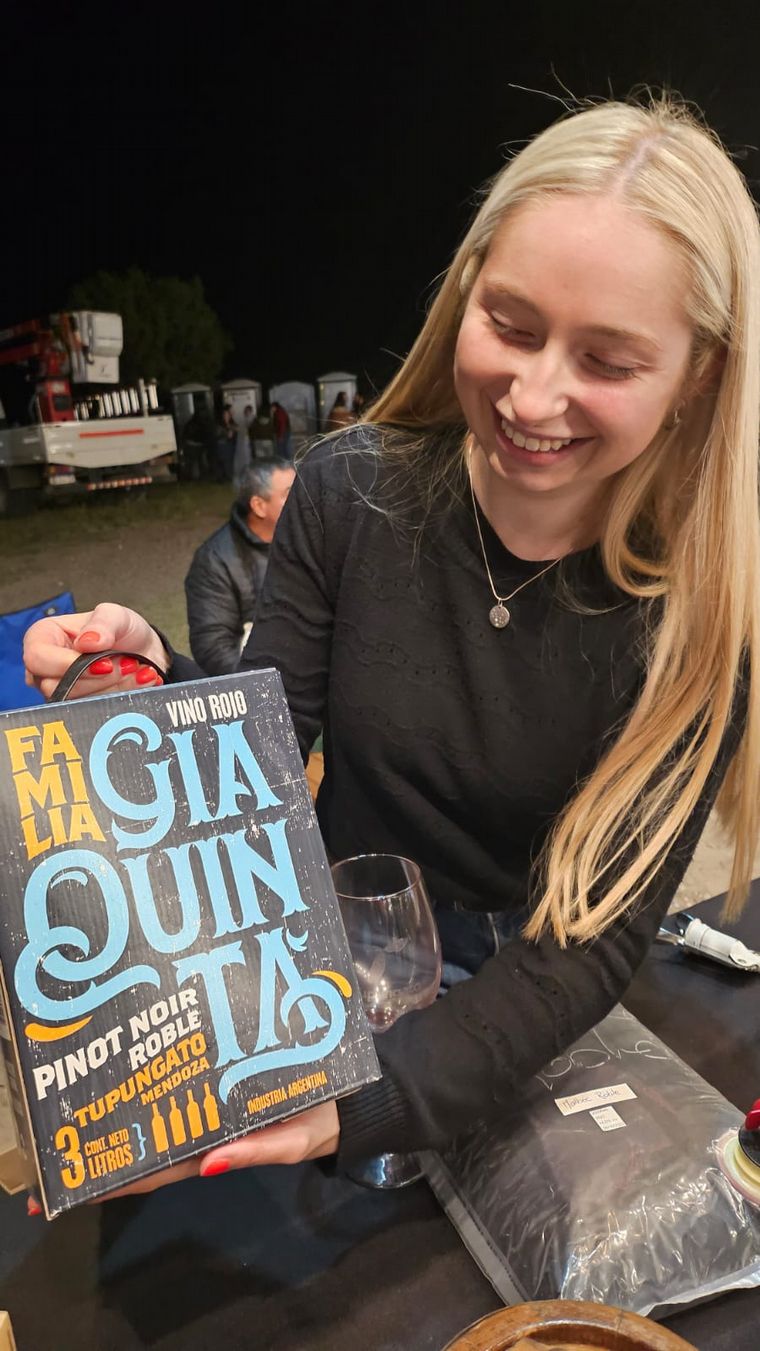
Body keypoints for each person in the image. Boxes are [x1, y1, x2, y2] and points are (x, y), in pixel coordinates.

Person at [24, 97, 760, 1185]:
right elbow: (260, 755)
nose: (533, 393)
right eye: (510, 325)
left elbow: (585, 947)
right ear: (465, 290)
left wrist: (369, 1103)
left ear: (698, 373)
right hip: (308, 963)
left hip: (515, 1009)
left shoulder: (702, 616)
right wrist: (157, 681)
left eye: (606, 359)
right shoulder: (345, 490)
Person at [184, 458, 295, 674]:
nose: (303, 500)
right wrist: (267, 685)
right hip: (262, 681)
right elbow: (213, 646)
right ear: (259, 506)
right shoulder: (215, 560)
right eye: (289, 494)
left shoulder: (308, 539)